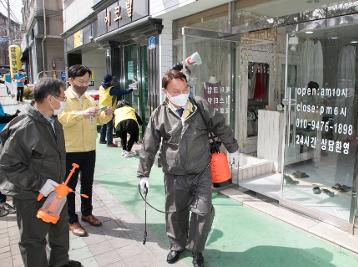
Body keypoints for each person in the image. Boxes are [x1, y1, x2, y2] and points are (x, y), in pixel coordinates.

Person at [137, 70, 238, 267]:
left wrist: (232, 148)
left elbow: (220, 125)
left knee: (203, 212)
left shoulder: (200, 105)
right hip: (174, 174)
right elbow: (148, 146)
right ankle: (176, 245)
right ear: (164, 91)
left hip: (201, 171)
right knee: (175, 213)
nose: (182, 94)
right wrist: (143, 174)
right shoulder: (159, 114)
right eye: (175, 91)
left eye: (185, 89)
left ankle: (197, 249)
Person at [0, 78, 81, 267]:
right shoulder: (25, 127)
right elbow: (7, 165)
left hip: (56, 191)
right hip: (31, 196)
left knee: (60, 235)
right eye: (62, 97)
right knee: (33, 241)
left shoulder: (53, 122)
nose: (64, 102)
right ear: (50, 98)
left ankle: (60, 263)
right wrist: (40, 184)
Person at [58, 65, 113, 237]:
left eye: (87, 81)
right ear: (70, 80)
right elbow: (61, 120)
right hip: (70, 150)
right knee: (69, 187)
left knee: (87, 184)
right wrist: (82, 113)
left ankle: (87, 213)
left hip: (89, 149)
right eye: (80, 81)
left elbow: (98, 120)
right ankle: (71, 219)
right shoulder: (63, 98)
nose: (84, 84)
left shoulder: (90, 99)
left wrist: (108, 115)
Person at [98, 74, 133, 147]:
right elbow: (121, 91)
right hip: (108, 109)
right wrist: (131, 89)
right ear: (110, 81)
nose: (113, 81)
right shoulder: (111, 89)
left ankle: (102, 140)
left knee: (104, 125)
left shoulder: (101, 87)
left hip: (101, 108)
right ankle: (109, 143)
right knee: (109, 126)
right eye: (112, 80)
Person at [0, 102, 19, 217]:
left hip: (2, 139)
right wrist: (12, 117)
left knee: (4, 173)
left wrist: (11, 115)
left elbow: (3, 115)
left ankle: (2, 202)